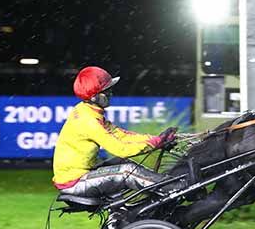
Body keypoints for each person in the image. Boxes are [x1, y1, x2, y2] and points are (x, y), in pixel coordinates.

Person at [52, 66, 184, 198]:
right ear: (94, 97)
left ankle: (165, 185)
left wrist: (156, 139)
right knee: (127, 171)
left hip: (80, 175)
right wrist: (154, 143)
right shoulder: (88, 121)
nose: (111, 94)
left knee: (122, 162)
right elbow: (121, 149)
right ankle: (174, 188)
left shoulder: (88, 111)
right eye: (107, 91)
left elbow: (121, 135)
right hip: (75, 183)